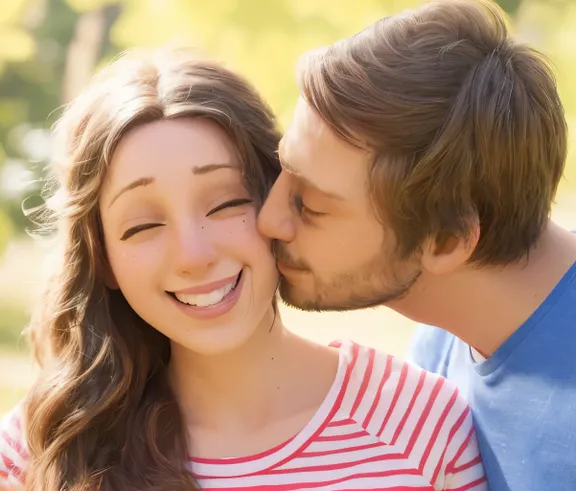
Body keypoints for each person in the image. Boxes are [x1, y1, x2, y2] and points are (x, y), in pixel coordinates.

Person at [256, 0, 576, 490]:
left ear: (446, 241)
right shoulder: (441, 348)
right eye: (282, 169)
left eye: (310, 206)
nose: (269, 219)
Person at [0, 49, 486, 491]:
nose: (194, 254)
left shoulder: (421, 426)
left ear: (280, 202)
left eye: (226, 204)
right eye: (144, 225)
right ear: (103, 259)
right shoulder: (42, 448)